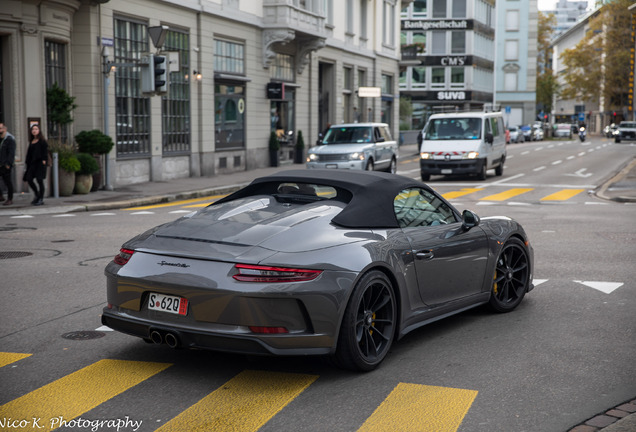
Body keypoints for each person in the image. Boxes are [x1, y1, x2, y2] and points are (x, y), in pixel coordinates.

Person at [24, 124, 48, 206]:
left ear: (39, 131)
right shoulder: (31, 141)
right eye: (33, 129)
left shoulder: (42, 141)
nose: (34, 130)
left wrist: (44, 161)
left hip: (40, 163)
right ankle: (37, 194)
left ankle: (41, 198)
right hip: (32, 164)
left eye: (36, 129)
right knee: (29, 179)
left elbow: (45, 152)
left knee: (39, 180)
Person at [0, 122, 17, 206]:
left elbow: (11, 152)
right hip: (0, 164)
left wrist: (8, 163)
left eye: (0, 128)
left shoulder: (9, 139)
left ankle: (10, 199)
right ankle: (1, 196)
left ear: (5, 129)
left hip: (6, 164)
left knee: (8, 182)